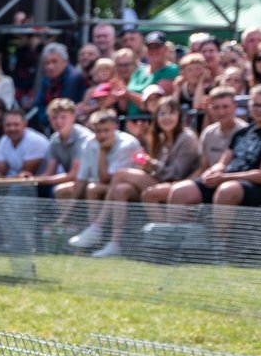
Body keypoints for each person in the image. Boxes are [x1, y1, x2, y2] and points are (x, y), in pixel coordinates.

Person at [86, 99, 202, 257]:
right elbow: (154, 167)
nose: (166, 117)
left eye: (171, 113)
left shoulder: (187, 138)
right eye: (162, 113)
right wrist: (142, 142)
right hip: (163, 180)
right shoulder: (160, 138)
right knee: (121, 189)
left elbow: (175, 173)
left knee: (120, 174)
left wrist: (150, 164)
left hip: (180, 184)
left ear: (179, 116)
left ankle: (97, 226)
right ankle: (115, 243)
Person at [167, 84, 261, 208]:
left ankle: (219, 230)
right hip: (227, 180)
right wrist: (213, 172)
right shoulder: (243, 132)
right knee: (180, 190)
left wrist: (224, 178)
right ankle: (175, 229)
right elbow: (223, 163)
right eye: (256, 104)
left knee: (226, 190)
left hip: (254, 189)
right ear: (249, 105)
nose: (260, 109)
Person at [65, 110, 142, 252]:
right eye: (98, 131)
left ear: (116, 127)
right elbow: (81, 178)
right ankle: (91, 235)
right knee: (84, 189)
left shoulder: (128, 143)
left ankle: (103, 235)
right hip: (106, 187)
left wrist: (102, 151)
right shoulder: (89, 143)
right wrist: (65, 215)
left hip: (132, 189)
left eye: (106, 130)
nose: (102, 135)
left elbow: (107, 178)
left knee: (114, 189)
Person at [39, 98, 94, 200]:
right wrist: (31, 179)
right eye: (54, 118)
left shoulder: (84, 138)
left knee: (60, 191)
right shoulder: (54, 139)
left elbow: (74, 175)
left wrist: (38, 180)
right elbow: (49, 173)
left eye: (63, 117)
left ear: (73, 117)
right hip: (76, 181)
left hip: (91, 181)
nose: (58, 121)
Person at [34, 42, 87, 128]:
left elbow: (62, 107)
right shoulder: (46, 79)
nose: (50, 67)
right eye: (47, 63)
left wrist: (49, 117)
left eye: (54, 62)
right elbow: (39, 104)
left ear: (65, 62)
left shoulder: (74, 78)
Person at [197, 86, 248, 169]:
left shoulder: (246, 132)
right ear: (210, 108)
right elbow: (203, 168)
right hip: (210, 178)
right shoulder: (208, 133)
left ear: (235, 105)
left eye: (225, 107)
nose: (221, 112)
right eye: (216, 107)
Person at [0, 108, 50, 177]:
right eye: (8, 125)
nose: (12, 128)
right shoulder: (4, 141)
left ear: (24, 125)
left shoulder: (35, 141)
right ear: (3, 126)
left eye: (16, 124)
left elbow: (25, 175)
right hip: (20, 184)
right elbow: (0, 172)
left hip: (45, 185)